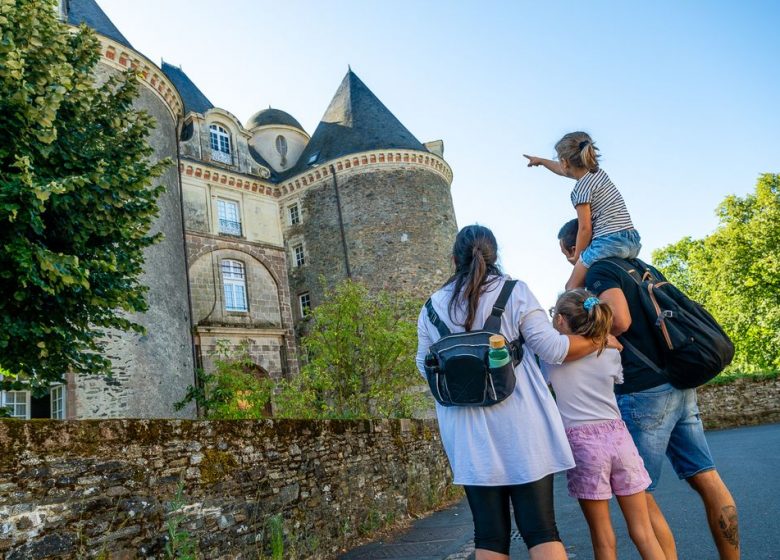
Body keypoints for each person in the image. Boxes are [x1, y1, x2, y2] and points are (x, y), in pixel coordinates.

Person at [416, 224, 620, 560]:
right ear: (495, 255)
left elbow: (425, 365)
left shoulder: (432, 307)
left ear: (454, 259)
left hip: (468, 435)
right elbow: (552, 349)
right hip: (522, 427)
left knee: (489, 537)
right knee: (541, 530)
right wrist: (599, 339)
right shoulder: (515, 292)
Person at [556, 222, 740, 560]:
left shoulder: (599, 269)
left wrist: (591, 337)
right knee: (707, 477)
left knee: (639, 494)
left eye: (567, 253)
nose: (571, 262)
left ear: (575, 247)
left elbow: (620, 321)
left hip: (645, 390)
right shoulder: (640, 266)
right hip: (677, 379)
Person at [544, 289, 664, 560]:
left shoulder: (552, 358)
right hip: (620, 438)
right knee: (643, 530)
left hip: (583, 442)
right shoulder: (610, 352)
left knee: (602, 537)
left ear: (561, 320)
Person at [524, 132, 641, 290]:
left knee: (571, 287)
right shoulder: (598, 174)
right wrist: (542, 161)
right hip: (631, 239)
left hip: (608, 242)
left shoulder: (580, 190)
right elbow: (562, 169)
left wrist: (578, 256)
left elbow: (585, 228)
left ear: (565, 162)